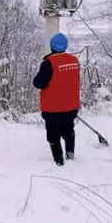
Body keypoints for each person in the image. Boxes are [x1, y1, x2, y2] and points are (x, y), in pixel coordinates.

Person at [33, 33, 81, 166]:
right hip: (71, 107)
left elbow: (39, 83)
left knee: (53, 135)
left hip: (53, 108)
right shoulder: (74, 61)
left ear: (52, 47)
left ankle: (59, 161)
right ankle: (70, 155)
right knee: (69, 131)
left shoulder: (48, 63)